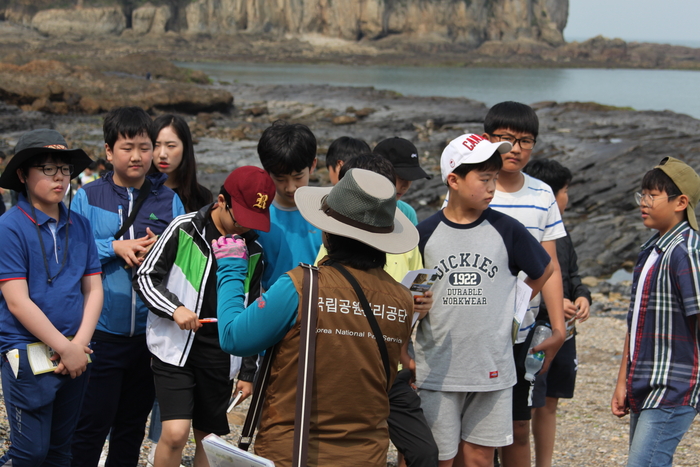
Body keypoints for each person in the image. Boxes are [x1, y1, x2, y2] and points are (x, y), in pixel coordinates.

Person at [216, 168, 419, 467]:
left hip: (295, 451)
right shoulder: (402, 300)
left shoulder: (300, 286)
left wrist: (232, 269)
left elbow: (233, 336)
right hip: (366, 453)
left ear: (327, 231)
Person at [415, 134, 554, 467]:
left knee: (479, 457)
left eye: (494, 178)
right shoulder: (425, 234)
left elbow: (543, 270)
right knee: (441, 457)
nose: (492, 187)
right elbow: (412, 291)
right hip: (438, 368)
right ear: (454, 180)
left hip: (492, 364)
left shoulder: (507, 229)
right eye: (484, 178)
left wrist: (512, 305)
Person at [134, 166, 276, 467]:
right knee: (174, 433)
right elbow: (145, 277)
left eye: (253, 223)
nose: (244, 229)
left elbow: (251, 312)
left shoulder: (253, 250)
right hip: (175, 348)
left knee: (209, 439)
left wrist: (249, 372)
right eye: (241, 219)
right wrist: (175, 309)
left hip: (221, 354)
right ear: (221, 201)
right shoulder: (184, 228)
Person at [70, 106, 186, 467]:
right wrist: (113, 247)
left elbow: (182, 263)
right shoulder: (86, 198)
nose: (137, 156)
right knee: (90, 426)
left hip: (149, 337)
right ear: (108, 152)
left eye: (144, 147)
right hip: (101, 336)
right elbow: (72, 257)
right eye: (126, 147)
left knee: (131, 427)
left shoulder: (169, 200)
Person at [316, 153, 438, 467]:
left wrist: (420, 305)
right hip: (346, 364)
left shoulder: (405, 240)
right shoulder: (333, 242)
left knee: (425, 453)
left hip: (392, 366)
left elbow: (413, 295)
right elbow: (323, 296)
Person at [0, 129, 103, 466]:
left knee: (61, 450)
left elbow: (93, 289)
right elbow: (17, 301)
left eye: (64, 169)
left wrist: (79, 345)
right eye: (47, 168)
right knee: (30, 452)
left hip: (76, 352)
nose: (59, 177)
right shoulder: (9, 227)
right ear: (22, 175)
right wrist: (66, 347)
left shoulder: (81, 225)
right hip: (26, 352)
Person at [476, 102, 566, 467]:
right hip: (476, 328)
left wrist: (559, 327)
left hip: (521, 332)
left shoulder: (542, 194)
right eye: (506, 139)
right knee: (473, 428)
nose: (515, 148)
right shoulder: (474, 187)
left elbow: (551, 267)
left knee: (517, 426)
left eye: (525, 140)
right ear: (487, 140)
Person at [611, 157, 700, 467]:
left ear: (681, 202)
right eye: (642, 195)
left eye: (652, 195)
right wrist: (622, 382)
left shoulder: (686, 250)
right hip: (646, 382)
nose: (643, 203)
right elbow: (636, 324)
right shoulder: (652, 248)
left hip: (675, 385)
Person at [523, 159, 592, 467]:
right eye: (564, 191)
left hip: (565, 330)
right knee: (525, 402)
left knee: (550, 401)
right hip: (536, 329)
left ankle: (544, 463)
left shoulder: (562, 233)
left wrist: (581, 296)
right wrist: (555, 303)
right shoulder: (526, 230)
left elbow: (572, 274)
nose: (567, 198)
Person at [256, 120, 322, 289]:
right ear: (266, 171)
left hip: (319, 305)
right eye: (280, 179)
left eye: (298, 177)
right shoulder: (257, 214)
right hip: (272, 306)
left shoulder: (327, 211)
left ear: (313, 165)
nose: (290, 187)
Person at [151, 114, 213, 213]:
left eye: (170, 146)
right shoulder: (139, 192)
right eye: (156, 145)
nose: (162, 154)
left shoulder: (201, 197)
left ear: (185, 148)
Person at [374, 137, 431, 226]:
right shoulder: (356, 205)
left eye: (411, 178)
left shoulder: (407, 212)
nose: (405, 186)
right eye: (401, 178)